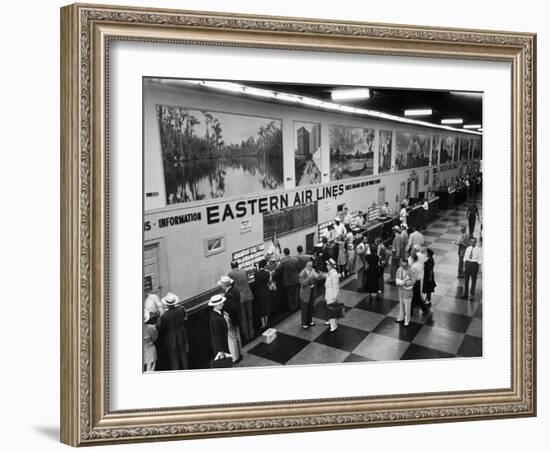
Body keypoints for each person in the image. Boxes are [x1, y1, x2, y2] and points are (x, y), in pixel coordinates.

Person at [155, 292, 189, 371]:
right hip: (182, 335)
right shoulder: (181, 309)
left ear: (166, 304)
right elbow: (185, 319)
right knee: (184, 356)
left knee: (174, 359)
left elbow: (161, 328)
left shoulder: (164, 315)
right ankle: (186, 369)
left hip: (171, 339)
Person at [217, 275, 242, 362]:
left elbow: (230, 309)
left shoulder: (227, 296)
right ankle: (240, 353)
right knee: (238, 336)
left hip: (231, 318)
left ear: (224, 285)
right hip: (238, 316)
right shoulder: (235, 291)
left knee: (232, 338)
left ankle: (235, 358)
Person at [227, 261, 254, 342]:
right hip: (248, 294)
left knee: (243, 318)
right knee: (250, 316)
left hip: (240, 297)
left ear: (231, 266)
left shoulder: (230, 274)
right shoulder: (243, 271)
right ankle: (252, 333)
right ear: (238, 265)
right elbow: (247, 279)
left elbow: (229, 285)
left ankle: (246, 336)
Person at [208, 294, 232, 367]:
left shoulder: (215, 314)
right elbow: (217, 335)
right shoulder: (216, 318)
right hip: (221, 346)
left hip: (221, 344)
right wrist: (221, 350)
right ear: (215, 305)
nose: (223, 304)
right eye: (221, 303)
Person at [299, 258, 319, 329]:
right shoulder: (302, 273)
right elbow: (302, 283)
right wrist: (309, 278)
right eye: (309, 266)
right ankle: (304, 323)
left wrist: (315, 275)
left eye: (311, 265)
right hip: (305, 293)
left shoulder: (312, 271)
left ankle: (310, 321)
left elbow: (316, 278)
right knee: (304, 309)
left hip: (311, 291)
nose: (310, 267)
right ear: (305, 265)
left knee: (311, 308)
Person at [395, 259, 414, 327]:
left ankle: (407, 320)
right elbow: (396, 279)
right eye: (402, 265)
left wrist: (407, 283)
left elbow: (413, 281)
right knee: (401, 305)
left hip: (407, 292)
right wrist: (399, 282)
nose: (403, 267)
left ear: (407, 265)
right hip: (401, 291)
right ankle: (401, 317)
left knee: (407, 307)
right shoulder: (399, 270)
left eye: (405, 266)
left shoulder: (410, 271)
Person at [323, 258, 341, 332]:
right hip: (328, 293)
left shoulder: (334, 274)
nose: (326, 266)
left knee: (332, 309)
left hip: (331, 294)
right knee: (329, 308)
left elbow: (336, 287)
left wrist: (334, 297)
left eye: (327, 265)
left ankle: (334, 326)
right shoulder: (330, 272)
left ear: (331, 266)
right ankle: (330, 321)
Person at [254, 260, 271, 329]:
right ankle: (266, 322)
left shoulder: (256, 274)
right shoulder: (267, 273)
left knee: (261, 308)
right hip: (266, 291)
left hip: (259, 292)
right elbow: (270, 280)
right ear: (265, 266)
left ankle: (263, 324)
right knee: (266, 306)